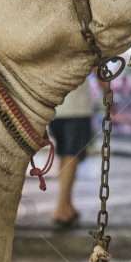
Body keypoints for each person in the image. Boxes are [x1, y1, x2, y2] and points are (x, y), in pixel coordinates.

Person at [49, 77, 95, 228]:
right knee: (72, 155)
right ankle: (61, 208)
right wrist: (108, 91)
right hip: (77, 108)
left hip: (56, 106)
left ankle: (67, 205)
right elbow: (99, 69)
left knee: (64, 154)